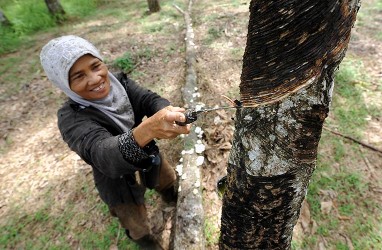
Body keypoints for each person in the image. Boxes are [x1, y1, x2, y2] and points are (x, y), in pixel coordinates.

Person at [40, 35, 191, 249]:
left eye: (95, 66)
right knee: (134, 222)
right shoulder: (71, 118)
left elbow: (148, 99)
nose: (94, 79)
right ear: (64, 83)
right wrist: (147, 129)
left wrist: (166, 112)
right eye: (79, 76)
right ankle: (148, 243)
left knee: (165, 178)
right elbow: (103, 154)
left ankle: (170, 198)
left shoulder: (120, 83)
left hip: (148, 154)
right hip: (115, 178)